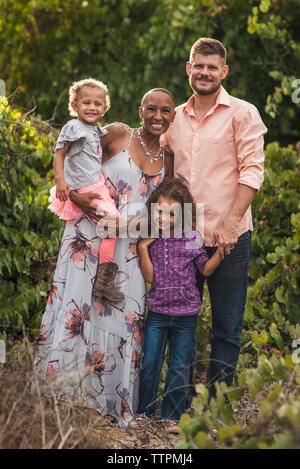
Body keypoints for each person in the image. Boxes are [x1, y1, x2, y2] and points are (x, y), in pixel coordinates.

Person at [34, 87, 175, 428]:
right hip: (89, 237)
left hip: (129, 250)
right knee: (77, 309)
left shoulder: (169, 159)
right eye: (151, 109)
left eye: (165, 111)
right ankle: (66, 396)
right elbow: (73, 161)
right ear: (140, 110)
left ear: (172, 116)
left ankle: (113, 403)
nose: (157, 116)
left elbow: (162, 211)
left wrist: (130, 224)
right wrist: (80, 201)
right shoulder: (116, 134)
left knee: (123, 318)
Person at [161, 38, 267, 400]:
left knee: (225, 326)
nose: (204, 72)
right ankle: (179, 403)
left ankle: (218, 406)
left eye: (212, 67)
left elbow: (252, 172)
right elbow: (164, 172)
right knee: (180, 323)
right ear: (188, 68)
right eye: (198, 65)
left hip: (229, 238)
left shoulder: (243, 113)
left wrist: (231, 222)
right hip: (182, 240)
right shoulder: (173, 117)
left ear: (224, 72)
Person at [131, 178, 224, 433]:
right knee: (150, 362)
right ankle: (144, 411)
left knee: (180, 365)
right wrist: (142, 248)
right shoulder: (153, 236)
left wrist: (220, 253)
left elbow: (204, 269)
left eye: (171, 214)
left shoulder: (193, 236)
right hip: (158, 312)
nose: (163, 217)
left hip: (186, 315)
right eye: (159, 211)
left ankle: (172, 415)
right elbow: (150, 278)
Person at [48, 77, 123, 303]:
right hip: (85, 186)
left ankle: (102, 277)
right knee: (113, 221)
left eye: (97, 104)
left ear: (105, 108)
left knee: (112, 225)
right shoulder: (74, 127)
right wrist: (61, 182)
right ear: (74, 106)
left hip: (96, 183)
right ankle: (103, 280)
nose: (92, 107)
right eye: (86, 103)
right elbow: (59, 153)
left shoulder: (96, 130)